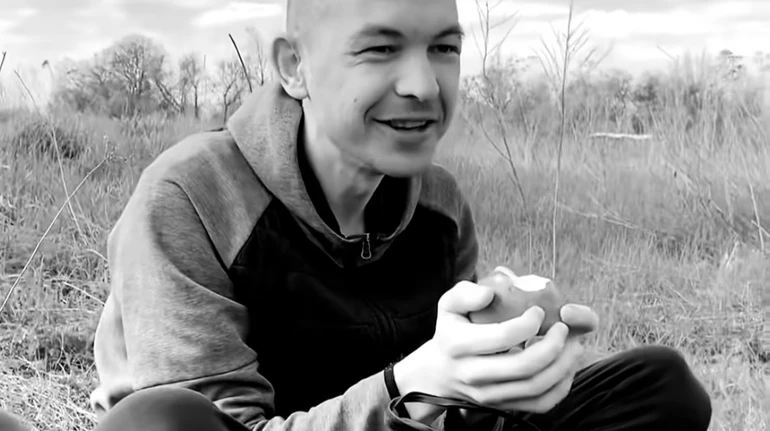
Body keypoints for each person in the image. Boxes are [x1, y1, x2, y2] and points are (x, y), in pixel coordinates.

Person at [0, 0, 711, 431]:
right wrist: (412, 387)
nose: (422, 84)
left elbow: (450, 409)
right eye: (379, 49)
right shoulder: (190, 196)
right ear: (294, 67)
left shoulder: (440, 205)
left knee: (658, 385)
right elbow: (221, 423)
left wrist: (514, 375)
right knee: (163, 423)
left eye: (444, 48)